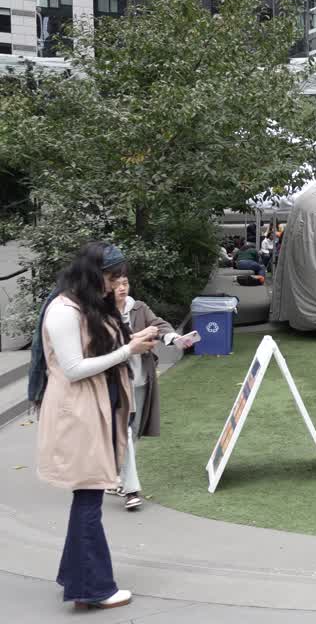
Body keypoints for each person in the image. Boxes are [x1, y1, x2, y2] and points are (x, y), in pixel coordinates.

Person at [35, 242, 157, 610]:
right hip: (78, 411)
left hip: (94, 406)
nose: (116, 283)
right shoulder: (63, 310)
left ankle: (76, 577)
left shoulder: (85, 304)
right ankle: (92, 588)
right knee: (89, 497)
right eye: (111, 276)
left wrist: (130, 340)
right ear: (92, 274)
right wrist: (128, 351)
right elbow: (73, 369)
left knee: (87, 497)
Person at [113, 277, 189, 511]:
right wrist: (143, 333)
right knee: (124, 431)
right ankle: (131, 489)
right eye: (117, 284)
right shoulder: (102, 313)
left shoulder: (139, 307)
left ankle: (117, 475)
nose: (123, 288)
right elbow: (109, 343)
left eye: (126, 282)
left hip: (141, 379)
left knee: (133, 432)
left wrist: (175, 338)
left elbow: (160, 324)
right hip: (117, 381)